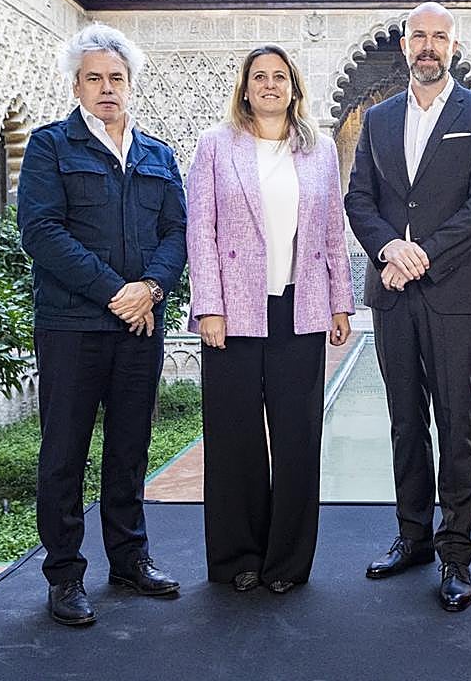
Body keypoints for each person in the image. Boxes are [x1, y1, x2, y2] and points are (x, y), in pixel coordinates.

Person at [18, 23, 188, 626]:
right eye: (95, 78)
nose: (107, 88)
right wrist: (116, 291)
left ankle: (129, 559)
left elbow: (176, 232)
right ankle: (64, 574)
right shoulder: (49, 147)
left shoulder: (157, 156)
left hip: (141, 324)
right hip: (71, 327)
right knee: (64, 450)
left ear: (130, 85)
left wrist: (152, 287)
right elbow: (41, 232)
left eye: (116, 78)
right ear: (77, 85)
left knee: (129, 447)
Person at [345, 2, 471, 612]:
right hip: (391, 294)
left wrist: (422, 254)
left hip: (453, 296)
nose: (429, 46)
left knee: (458, 425)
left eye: (440, 36)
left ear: (453, 45)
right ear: (405, 44)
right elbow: (359, 198)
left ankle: (455, 554)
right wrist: (390, 248)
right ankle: (412, 536)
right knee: (405, 420)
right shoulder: (379, 118)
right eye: (419, 36)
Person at [186, 45, 354, 595]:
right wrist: (209, 306)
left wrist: (339, 303)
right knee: (234, 438)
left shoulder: (321, 150)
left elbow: (332, 231)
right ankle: (239, 557)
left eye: (279, 77)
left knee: (297, 437)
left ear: (294, 88)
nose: (269, 85)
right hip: (233, 312)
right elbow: (201, 233)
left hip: (297, 309)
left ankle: (286, 561)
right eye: (259, 76)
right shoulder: (215, 147)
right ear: (245, 87)